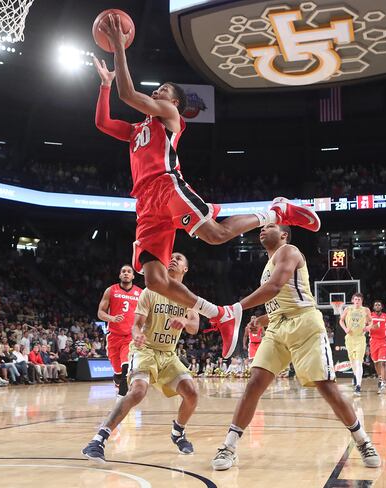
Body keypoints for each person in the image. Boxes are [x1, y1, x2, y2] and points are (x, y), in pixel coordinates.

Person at [92, 14, 321, 360]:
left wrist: (120, 50)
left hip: (167, 187)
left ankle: (276, 211)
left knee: (214, 234)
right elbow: (103, 122)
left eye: (164, 90)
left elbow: (129, 92)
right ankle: (221, 315)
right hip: (145, 203)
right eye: (158, 90)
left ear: (175, 103)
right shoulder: (139, 127)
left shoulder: (169, 116)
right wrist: (104, 85)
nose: (158, 92)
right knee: (154, 280)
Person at [210, 223, 380, 470]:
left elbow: (275, 287)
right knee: (254, 383)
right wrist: (262, 319)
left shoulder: (289, 250)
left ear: (283, 234)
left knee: (327, 387)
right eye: (262, 226)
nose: (262, 229)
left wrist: (235, 309)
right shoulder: (267, 265)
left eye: (270, 226)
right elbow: (280, 301)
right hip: (278, 326)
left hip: (305, 324)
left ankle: (362, 440)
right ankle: (229, 446)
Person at [82, 253, 200, 462]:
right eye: (171, 256)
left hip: (168, 354)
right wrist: (136, 335)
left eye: (179, 258)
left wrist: (183, 320)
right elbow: (136, 325)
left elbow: (194, 326)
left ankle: (178, 432)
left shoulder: (189, 297)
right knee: (137, 391)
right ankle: (98, 439)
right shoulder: (150, 291)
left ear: (185, 269)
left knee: (191, 392)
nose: (173, 259)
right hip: (145, 349)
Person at [97, 265, 142, 396]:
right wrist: (112, 318)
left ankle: (122, 399)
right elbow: (100, 313)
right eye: (123, 271)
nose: (126, 273)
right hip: (113, 336)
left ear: (133, 276)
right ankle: (117, 381)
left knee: (126, 369)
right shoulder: (111, 290)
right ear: (120, 275)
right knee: (118, 373)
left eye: (129, 272)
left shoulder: (140, 293)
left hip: (129, 337)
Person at [339, 293, 371, 395]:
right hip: (350, 339)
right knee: (353, 362)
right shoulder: (348, 309)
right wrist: (345, 329)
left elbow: (371, 321)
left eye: (359, 300)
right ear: (353, 300)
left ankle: (358, 386)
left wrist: (368, 327)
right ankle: (355, 376)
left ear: (362, 301)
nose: (357, 301)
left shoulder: (365, 310)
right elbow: (341, 320)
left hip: (360, 338)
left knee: (358, 362)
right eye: (355, 299)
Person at [369, 300, 386, 394]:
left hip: (383, 341)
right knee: (376, 363)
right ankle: (380, 378)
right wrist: (373, 327)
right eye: (375, 305)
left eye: (379, 305)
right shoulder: (369, 316)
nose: (377, 306)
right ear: (373, 307)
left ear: (381, 307)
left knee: (383, 363)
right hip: (373, 341)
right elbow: (365, 327)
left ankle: (383, 384)